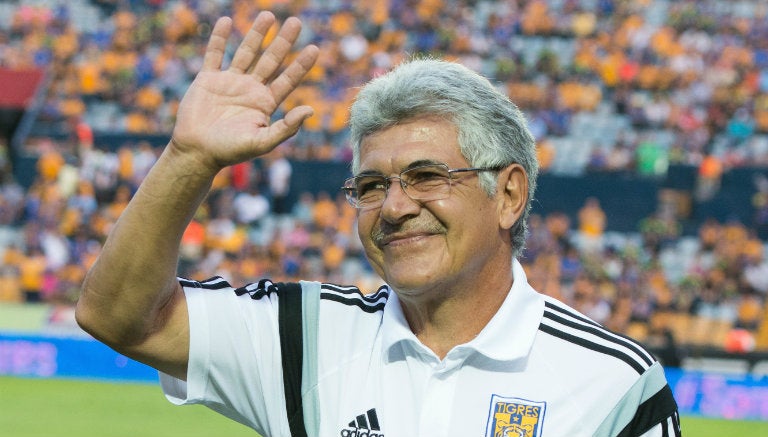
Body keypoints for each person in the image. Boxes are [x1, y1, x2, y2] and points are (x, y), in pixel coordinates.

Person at [76, 11, 681, 437]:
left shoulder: (613, 384)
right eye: (370, 186)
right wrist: (188, 159)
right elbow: (118, 316)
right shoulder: (303, 337)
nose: (393, 207)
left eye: (427, 176)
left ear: (508, 195)